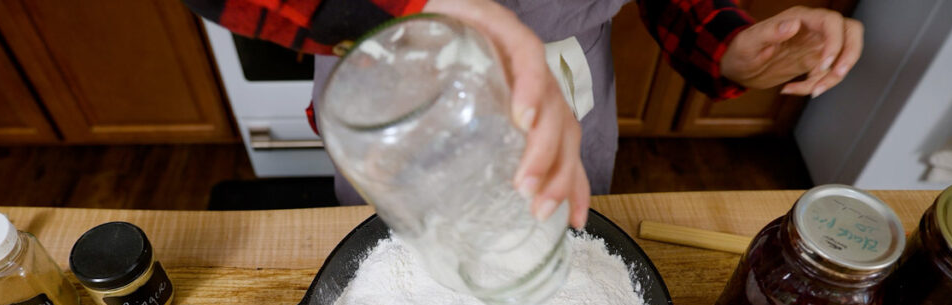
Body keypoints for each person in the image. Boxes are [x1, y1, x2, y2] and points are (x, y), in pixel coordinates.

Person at [184, 0, 862, 230]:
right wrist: (423, 11)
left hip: (565, 85)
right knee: (399, 244)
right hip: (392, 66)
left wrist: (730, 46)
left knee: (548, 238)